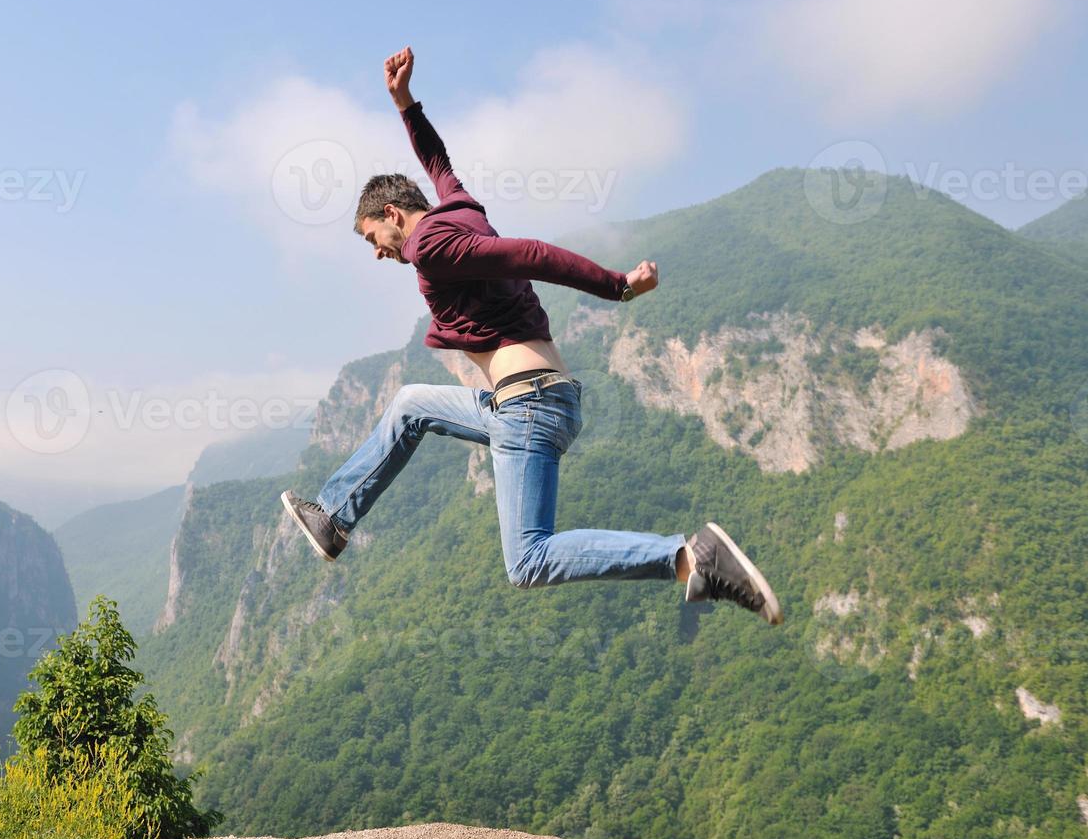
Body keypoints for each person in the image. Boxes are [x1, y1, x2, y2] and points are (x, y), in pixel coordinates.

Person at [281, 46, 781, 625]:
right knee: (409, 405)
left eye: (374, 237)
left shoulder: (429, 246)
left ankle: (689, 558)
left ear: (394, 214)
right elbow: (438, 164)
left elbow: (534, 253)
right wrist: (405, 106)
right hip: (527, 399)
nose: (378, 252)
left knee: (529, 561)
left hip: (527, 406)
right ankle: (335, 518)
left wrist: (618, 287)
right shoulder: (460, 211)